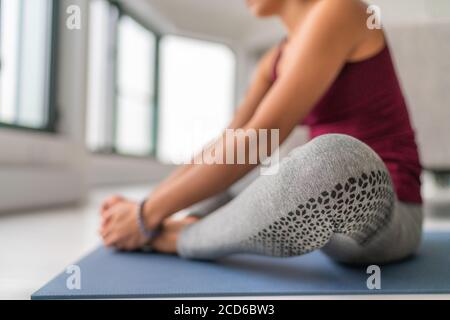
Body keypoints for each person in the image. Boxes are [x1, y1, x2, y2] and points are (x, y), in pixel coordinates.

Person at [99, 0, 423, 264]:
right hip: (326, 218)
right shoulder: (275, 58)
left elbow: (260, 138)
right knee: (245, 166)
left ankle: (181, 238)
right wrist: (148, 205)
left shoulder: (340, 9)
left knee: (329, 160)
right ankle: (179, 224)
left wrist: (144, 216)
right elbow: (233, 139)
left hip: (383, 213)